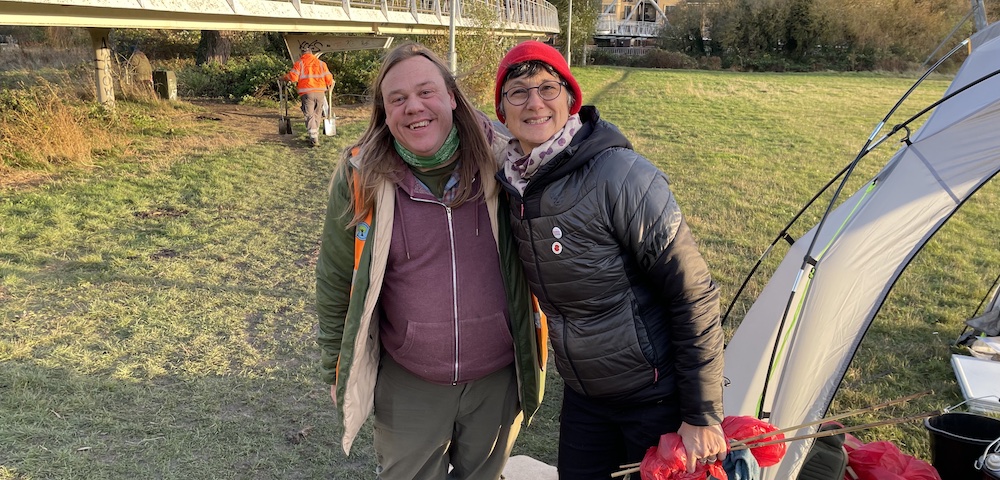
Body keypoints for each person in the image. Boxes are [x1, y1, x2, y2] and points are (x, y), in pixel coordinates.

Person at [492, 40, 728, 479]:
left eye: (548, 87)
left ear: (571, 98)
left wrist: (701, 414)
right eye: (518, 91)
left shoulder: (620, 174)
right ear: (503, 112)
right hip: (585, 396)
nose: (535, 102)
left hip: (654, 396)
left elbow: (693, 293)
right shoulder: (514, 180)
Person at [314, 42, 545, 480]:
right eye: (397, 99)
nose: (413, 107)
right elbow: (335, 279)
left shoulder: (505, 159)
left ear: (452, 97)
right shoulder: (362, 176)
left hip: (497, 380)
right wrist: (334, 366)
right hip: (410, 383)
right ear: (384, 112)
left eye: (426, 92)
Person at [282, 46, 333, 147]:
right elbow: (329, 78)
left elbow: (293, 77)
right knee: (317, 113)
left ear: (302, 54)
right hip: (320, 93)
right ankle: (315, 134)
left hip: (307, 93)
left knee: (309, 115)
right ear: (311, 53)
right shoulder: (322, 64)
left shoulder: (299, 63)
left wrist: (284, 77)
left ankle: (313, 137)